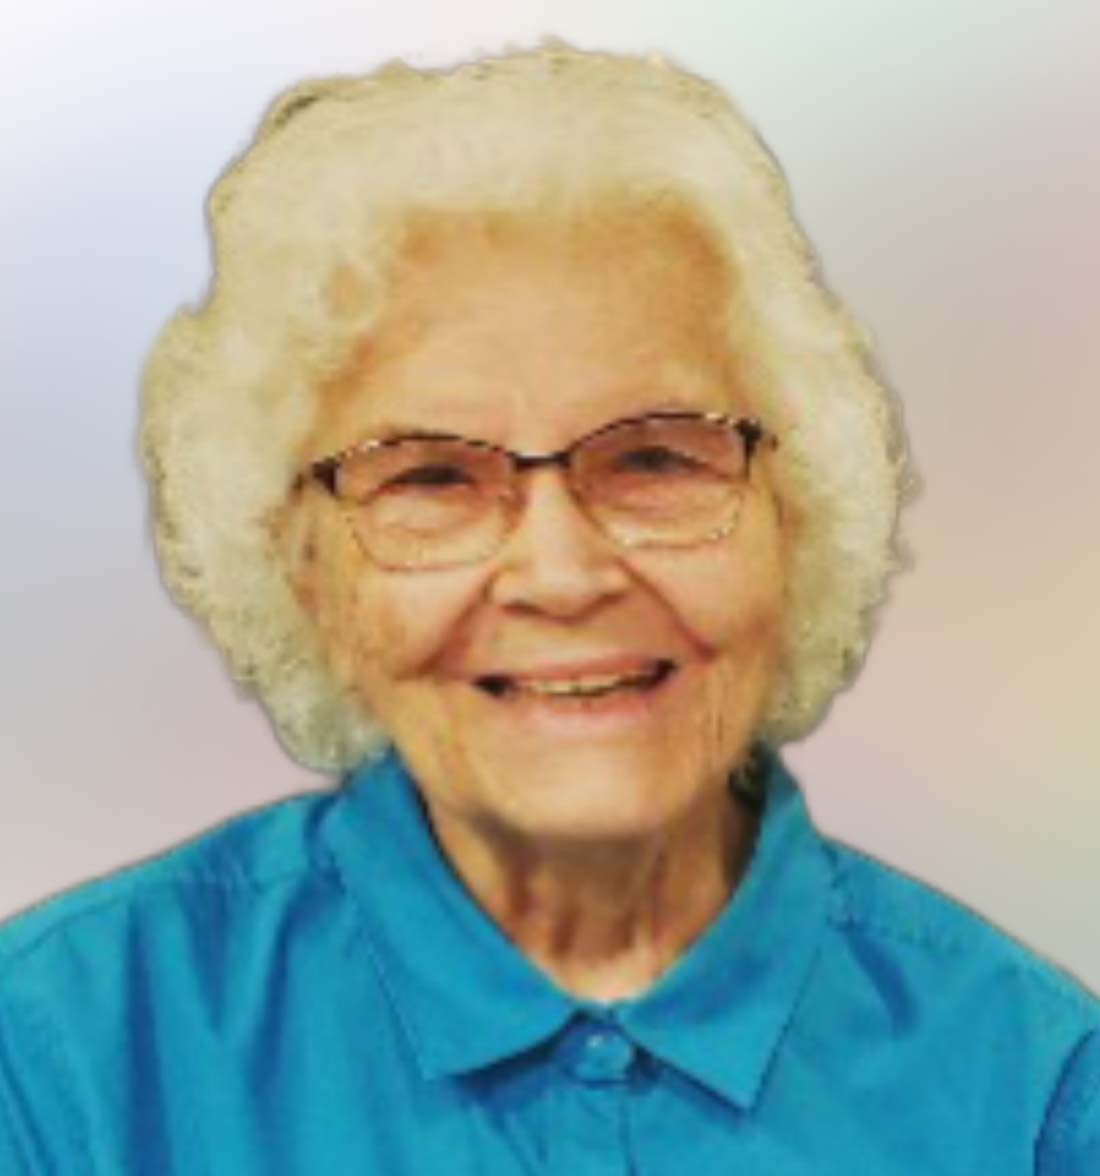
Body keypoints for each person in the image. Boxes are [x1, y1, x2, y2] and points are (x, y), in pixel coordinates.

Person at [0, 42, 1096, 1173]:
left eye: (656, 459)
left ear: (803, 515)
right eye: (430, 478)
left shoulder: (1032, 1088)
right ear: (300, 570)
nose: (563, 576)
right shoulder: (57, 1066)